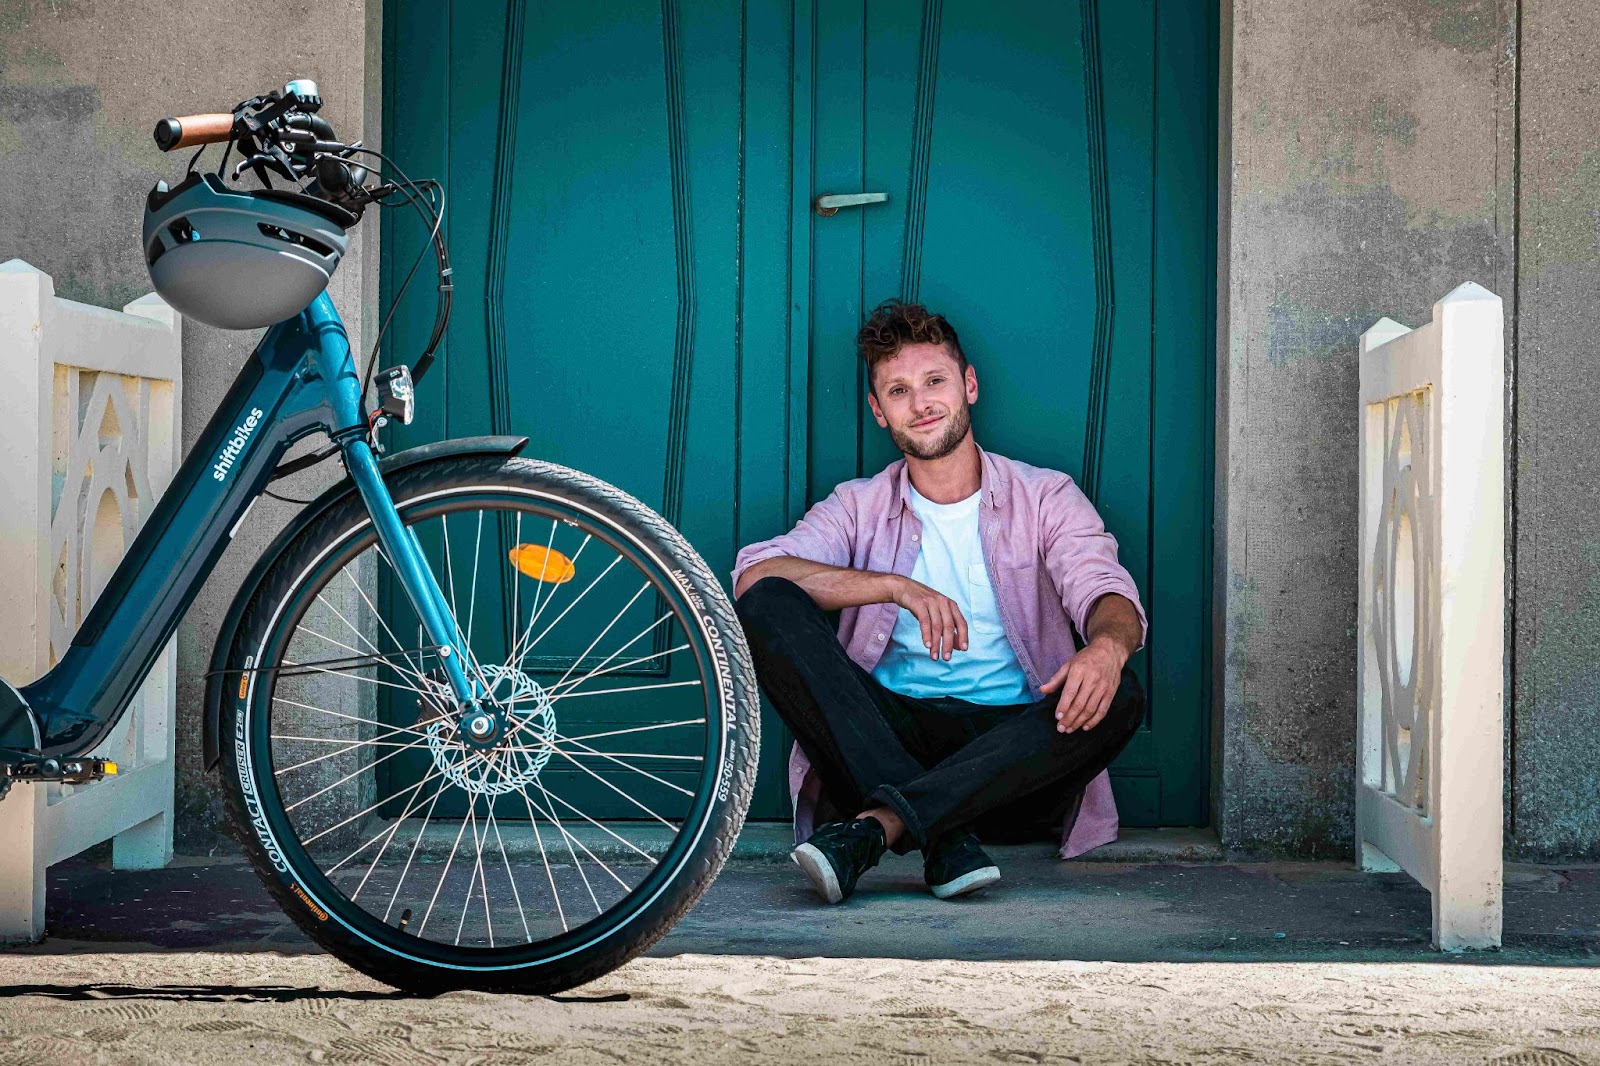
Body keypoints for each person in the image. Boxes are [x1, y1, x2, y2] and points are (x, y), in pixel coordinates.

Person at [731, 299, 1148, 904]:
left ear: (968, 385)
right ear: (879, 411)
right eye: (898, 391)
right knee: (770, 604)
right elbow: (756, 576)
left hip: (1008, 761)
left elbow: (1104, 589)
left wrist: (1108, 646)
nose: (921, 403)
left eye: (934, 382)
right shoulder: (858, 505)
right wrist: (895, 587)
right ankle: (942, 834)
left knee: (1120, 692)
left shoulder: (1045, 496)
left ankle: (880, 829)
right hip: (884, 742)